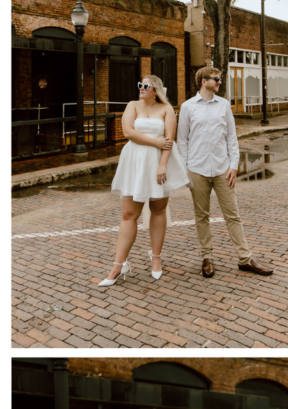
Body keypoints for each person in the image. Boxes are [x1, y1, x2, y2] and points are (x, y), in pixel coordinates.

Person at [177, 67, 273, 279]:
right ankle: (206, 257)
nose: (219, 82)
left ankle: (245, 258)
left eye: (219, 79)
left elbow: (232, 137)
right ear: (203, 81)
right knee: (201, 216)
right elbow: (182, 140)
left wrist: (233, 165)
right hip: (197, 169)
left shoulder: (224, 105)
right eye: (216, 79)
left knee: (233, 214)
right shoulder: (187, 107)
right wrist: (185, 170)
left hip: (223, 169)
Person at [98, 75, 190, 286]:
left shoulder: (167, 109)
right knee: (129, 214)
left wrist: (162, 165)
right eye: (140, 84)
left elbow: (169, 140)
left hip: (157, 162)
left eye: (145, 85)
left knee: (158, 210)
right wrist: (155, 142)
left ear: (155, 89)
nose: (141, 88)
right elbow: (128, 132)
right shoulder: (132, 105)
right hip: (135, 161)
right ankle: (118, 266)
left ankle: (156, 259)